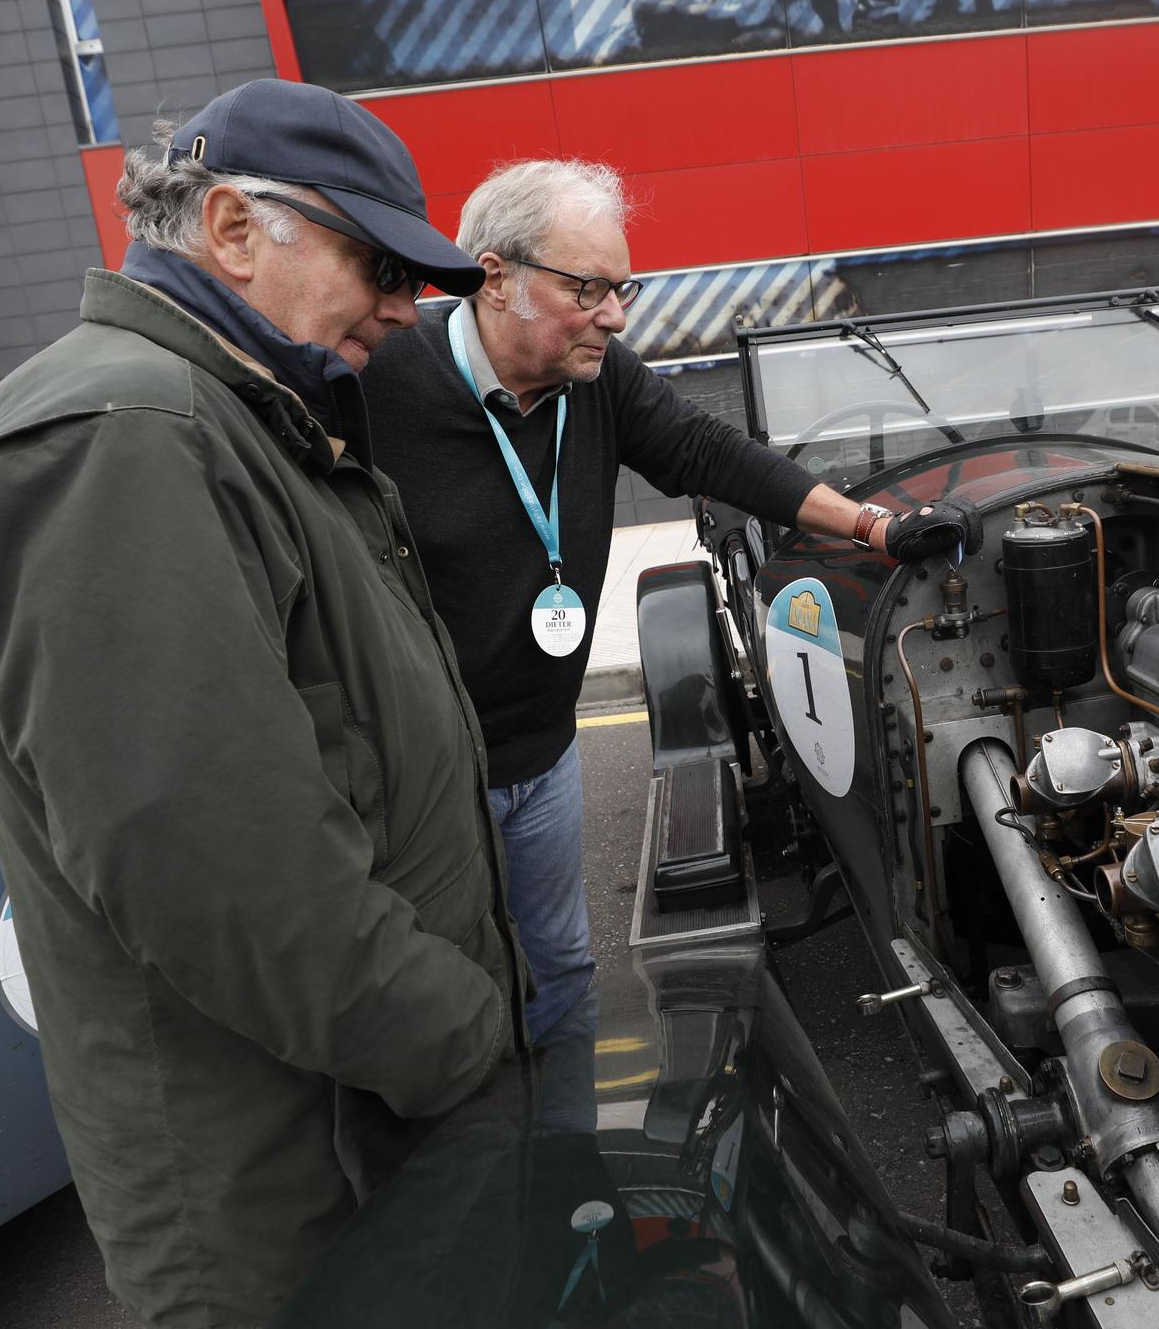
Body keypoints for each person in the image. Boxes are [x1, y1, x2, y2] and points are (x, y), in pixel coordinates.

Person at [0, 79, 531, 1328]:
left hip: (354, 1138)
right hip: (289, 1191)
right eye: (375, 262)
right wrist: (462, 1037)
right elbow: (218, 870)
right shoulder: (121, 433)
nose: (403, 308)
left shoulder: (237, 415)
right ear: (232, 228)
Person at [364, 158, 975, 1050]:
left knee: (564, 971)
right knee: (440, 1000)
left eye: (623, 290)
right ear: (496, 277)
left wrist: (874, 526)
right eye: (589, 289)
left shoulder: (596, 375)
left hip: (545, 753)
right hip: (419, 776)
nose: (614, 315)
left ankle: (568, 1160)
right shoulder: (374, 374)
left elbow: (708, 451)